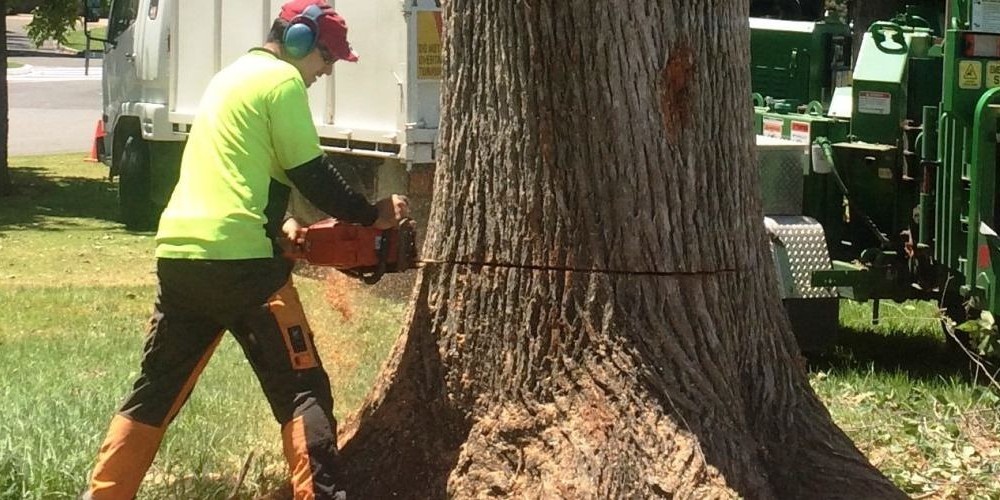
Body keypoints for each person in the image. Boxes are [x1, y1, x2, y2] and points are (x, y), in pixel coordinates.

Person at [83, 1, 408, 498]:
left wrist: (280, 220)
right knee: (302, 390)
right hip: (245, 268)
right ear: (299, 41)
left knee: (157, 392)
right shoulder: (282, 83)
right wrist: (371, 215)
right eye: (326, 58)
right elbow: (312, 173)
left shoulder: (229, 79)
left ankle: (104, 493)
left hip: (180, 257)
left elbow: (235, 170)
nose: (326, 71)